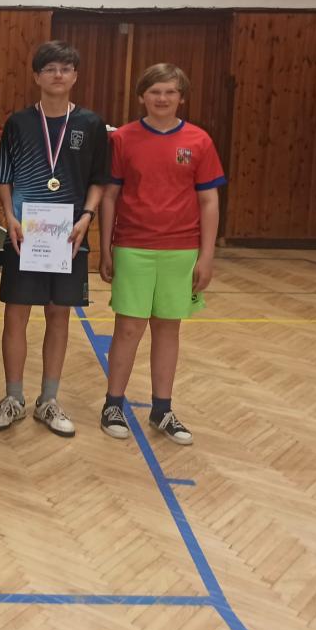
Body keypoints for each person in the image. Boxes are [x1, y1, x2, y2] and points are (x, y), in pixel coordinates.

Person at [98, 64, 225, 446]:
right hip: (133, 247)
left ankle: (162, 409)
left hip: (181, 251)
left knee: (169, 329)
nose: (162, 98)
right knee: (128, 328)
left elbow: (209, 201)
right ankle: (113, 405)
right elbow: (110, 196)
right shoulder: (123, 138)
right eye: (155, 91)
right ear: (142, 96)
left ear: (181, 97)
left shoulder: (199, 141)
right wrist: (106, 248)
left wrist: (206, 256)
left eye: (170, 92)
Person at [0, 41, 108, 437]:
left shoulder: (91, 124)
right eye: (50, 68)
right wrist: (9, 216)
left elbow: (99, 180)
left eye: (66, 68)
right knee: (16, 315)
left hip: (69, 237)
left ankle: (49, 401)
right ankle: (13, 398)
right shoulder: (19, 123)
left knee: (59, 315)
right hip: (25, 235)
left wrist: (87, 217)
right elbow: (3, 176)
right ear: (36, 76)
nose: (58, 75)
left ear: (75, 76)